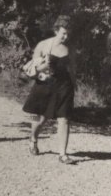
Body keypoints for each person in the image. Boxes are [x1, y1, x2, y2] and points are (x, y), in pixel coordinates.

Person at [22, 15, 76, 164]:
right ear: (56, 30)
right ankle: (33, 139)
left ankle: (63, 154)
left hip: (65, 86)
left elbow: (72, 69)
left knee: (64, 119)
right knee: (42, 119)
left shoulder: (70, 48)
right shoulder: (43, 45)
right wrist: (44, 66)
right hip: (46, 85)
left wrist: (74, 85)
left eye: (68, 33)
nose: (66, 36)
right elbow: (33, 69)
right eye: (63, 33)